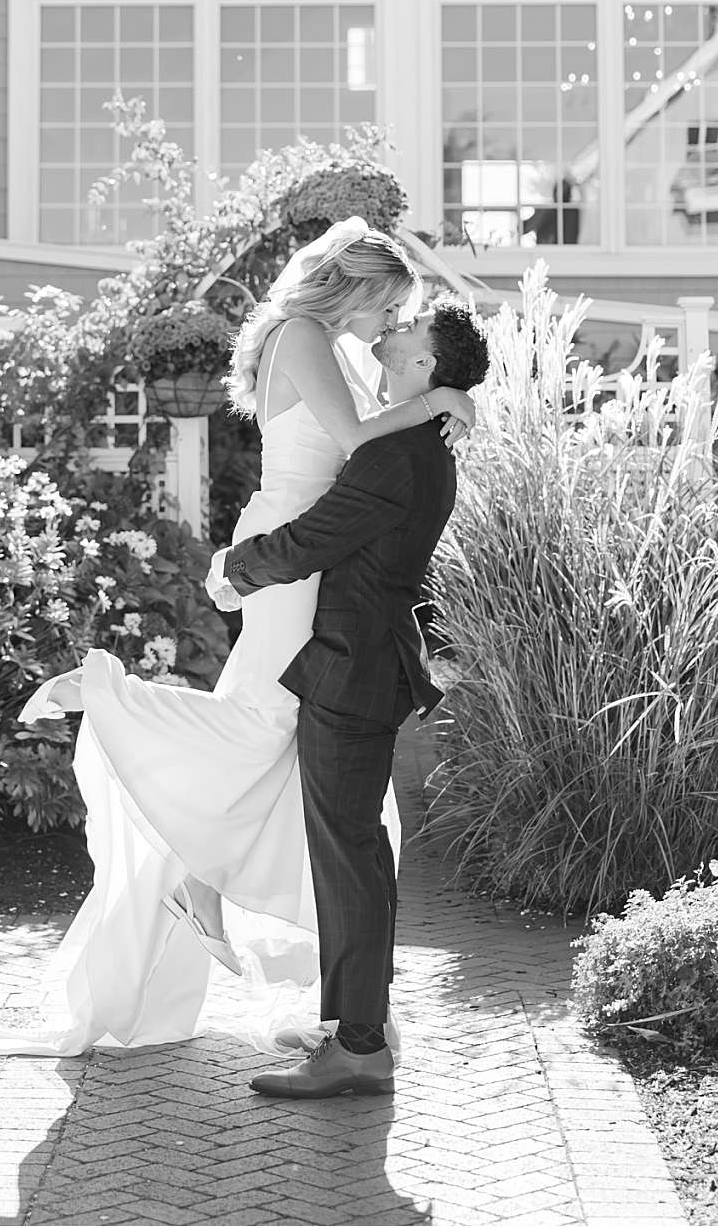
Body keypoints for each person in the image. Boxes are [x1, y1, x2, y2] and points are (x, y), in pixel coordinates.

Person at [0, 218, 475, 1058]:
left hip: (318, 551)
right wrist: (440, 400)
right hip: (296, 547)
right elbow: (354, 445)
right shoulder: (304, 332)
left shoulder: (335, 343)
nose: (390, 322)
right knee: (258, 724)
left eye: (400, 315)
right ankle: (100, 695)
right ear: (350, 287)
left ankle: (207, 888)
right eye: (386, 304)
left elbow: (365, 453)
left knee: (272, 743)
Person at [211, 295, 490, 1098]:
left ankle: (359, 1043)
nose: (391, 329)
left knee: (350, 857)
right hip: (361, 664)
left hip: (351, 667)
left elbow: (314, 539)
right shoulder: (415, 442)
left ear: (424, 364)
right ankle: (352, 1026)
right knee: (352, 852)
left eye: (408, 330)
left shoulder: (397, 453)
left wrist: (235, 567)